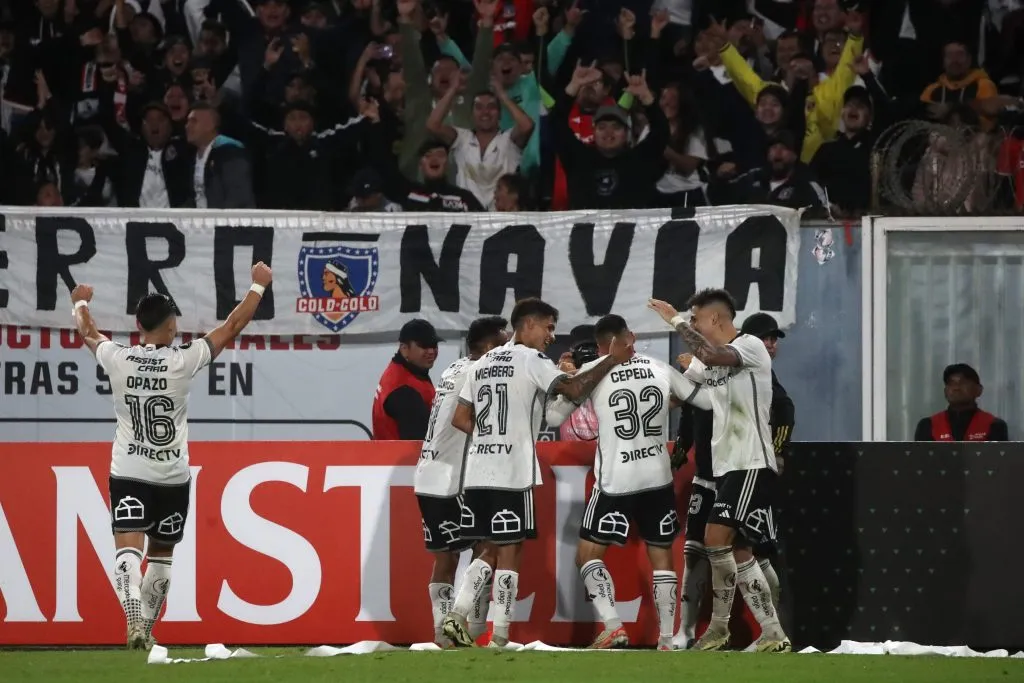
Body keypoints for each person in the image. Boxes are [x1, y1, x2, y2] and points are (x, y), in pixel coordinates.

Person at [70, 262, 273, 649]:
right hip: (172, 476)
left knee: (127, 547)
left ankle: (132, 613)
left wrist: (79, 302)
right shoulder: (183, 360)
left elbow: (89, 333)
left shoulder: (118, 358)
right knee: (161, 555)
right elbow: (231, 327)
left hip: (128, 469)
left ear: (140, 326)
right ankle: (145, 627)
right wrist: (258, 287)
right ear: (170, 326)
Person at [442, 298, 633, 648]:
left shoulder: (482, 362)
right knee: (511, 551)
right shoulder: (531, 359)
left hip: (478, 471)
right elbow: (574, 389)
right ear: (527, 324)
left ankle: (456, 616)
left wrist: (492, 435)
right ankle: (499, 635)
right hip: (512, 470)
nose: (551, 335)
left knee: (488, 549)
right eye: (548, 327)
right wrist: (610, 360)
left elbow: (459, 418)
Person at [544, 314, 712, 650]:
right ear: (630, 336)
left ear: (600, 345)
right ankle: (667, 639)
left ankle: (613, 626)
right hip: (658, 476)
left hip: (617, 479)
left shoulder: (593, 374)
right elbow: (704, 400)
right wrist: (695, 370)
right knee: (661, 555)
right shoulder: (657, 367)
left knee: (587, 555)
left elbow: (553, 417)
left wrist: (562, 380)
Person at [648, 290, 790, 653]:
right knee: (736, 549)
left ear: (715, 320)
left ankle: (720, 628)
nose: (692, 325)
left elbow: (711, 355)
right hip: (726, 467)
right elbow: (682, 395)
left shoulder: (751, 346)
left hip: (751, 461)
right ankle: (771, 632)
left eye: (695, 319)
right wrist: (642, 378)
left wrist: (676, 321)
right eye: (689, 320)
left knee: (715, 539)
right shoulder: (706, 358)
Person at [415, 316, 510, 647]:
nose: (508, 350)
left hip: (427, 474)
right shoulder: (480, 373)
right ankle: (466, 623)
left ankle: (444, 634)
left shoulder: (452, 368)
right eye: (503, 344)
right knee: (492, 547)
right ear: (487, 348)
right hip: (453, 479)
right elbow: (469, 422)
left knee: (447, 557)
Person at [371, 319, 441, 440]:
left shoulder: (408, 370)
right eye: (423, 346)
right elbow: (422, 444)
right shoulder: (404, 390)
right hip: (402, 457)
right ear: (404, 348)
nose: (431, 351)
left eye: (434, 345)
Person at [914, 364, 1009, 442]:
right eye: (951, 383)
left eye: (963, 382)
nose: (956, 388)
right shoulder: (927, 425)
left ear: (979, 390)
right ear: (945, 391)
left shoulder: (994, 425)